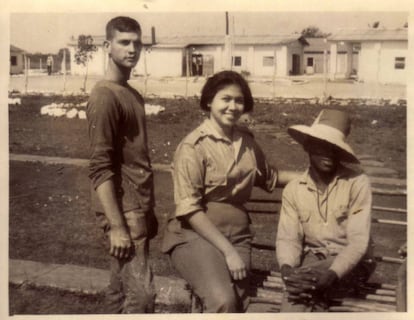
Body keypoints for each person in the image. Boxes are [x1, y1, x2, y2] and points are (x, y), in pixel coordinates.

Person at [161, 70, 293, 313]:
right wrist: (229, 252)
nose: (233, 106)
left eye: (239, 100)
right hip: (196, 237)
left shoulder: (247, 143)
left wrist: (313, 177)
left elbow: (270, 177)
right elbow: (189, 209)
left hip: (238, 236)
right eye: (226, 99)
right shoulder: (193, 147)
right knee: (222, 301)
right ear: (209, 101)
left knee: (241, 304)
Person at [86, 16, 157, 314]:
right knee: (141, 299)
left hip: (138, 207)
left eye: (137, 43)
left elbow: (134, 156)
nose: (132, 50)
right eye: (124, 42)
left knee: (119, 294)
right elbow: (100, 167)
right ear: (107, 46)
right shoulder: (104, 96)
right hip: (123, 210)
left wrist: (147, 208)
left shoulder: (131, 93)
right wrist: (116, 225)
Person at [276, 109, 376, 312]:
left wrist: (332, 272)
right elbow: (288, 238)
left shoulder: (357, 183)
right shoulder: (294, 189)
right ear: (308, 146)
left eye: (334, 148)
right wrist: (286, 268)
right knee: (304, 290)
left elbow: (358, 243)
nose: (329, 154)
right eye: (322, 146)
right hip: (313, 261)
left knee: (303, 288)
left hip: (352, 265)